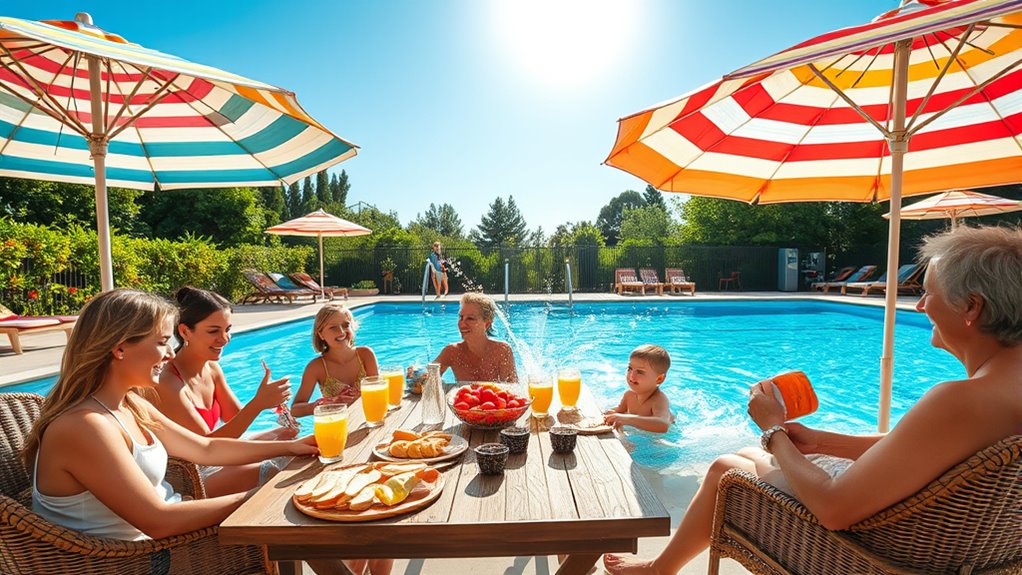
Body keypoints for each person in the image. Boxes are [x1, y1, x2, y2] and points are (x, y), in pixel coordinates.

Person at [604, 225, 1022, 574]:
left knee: (727, 466)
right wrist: (820, 442)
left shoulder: (960, 400)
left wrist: (772, 429)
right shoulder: (1001, 392)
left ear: (972, 307)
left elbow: (834, 509)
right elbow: (917, 448)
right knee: (756, 453)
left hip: (875, 549)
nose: (919, 306)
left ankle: (661, 570)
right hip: (937, 534)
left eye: (929, 293)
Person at [154, 286, 295, 498]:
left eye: (227, 329)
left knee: (285, 437)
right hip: (188, 476)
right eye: (213, 331)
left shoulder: (212, 369)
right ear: (184, 331)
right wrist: (258, 403)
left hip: (214, 458)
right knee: (272, 470)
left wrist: (271, 404)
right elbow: (206, 449)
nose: (225, 338)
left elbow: (235, 420)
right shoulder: (168, 382)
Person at [291, 303, 380, 416]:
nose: (341, 332)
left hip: (369, 418)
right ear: (321, 334)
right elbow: (295, 410)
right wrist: (323, 404)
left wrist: (360, 396)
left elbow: (378, 392)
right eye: (333, 327)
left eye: (346, 325)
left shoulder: (365, 355)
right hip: (337, 424)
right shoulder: (316, 367)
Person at [434, 292, 518, 383]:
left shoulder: (502, 351)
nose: (462, 324)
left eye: (470, 318)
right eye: (461, 317)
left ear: (487, 324)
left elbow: (512, 389)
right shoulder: (452, 352)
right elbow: (428, 376)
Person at [603, 344, 674, 433]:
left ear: (659, 379)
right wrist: (608, 414)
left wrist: (626, 419)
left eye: (640, 372)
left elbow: (663, 425)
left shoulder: (659, 400)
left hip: (658, 438)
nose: (631, 376)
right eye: (630, 368)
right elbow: (619, 411)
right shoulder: (629, 395)